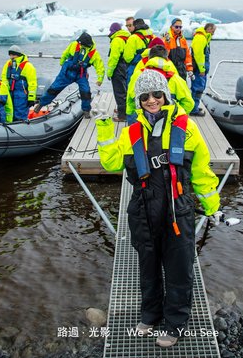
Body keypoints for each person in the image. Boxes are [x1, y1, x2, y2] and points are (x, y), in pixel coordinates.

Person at [95, 70, 223, 348]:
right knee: (148, 266)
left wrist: (212, 205)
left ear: (165, 94)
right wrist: (104, 128)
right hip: (143, 210)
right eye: (145, 96)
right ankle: (150, 315)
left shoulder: (187, 129)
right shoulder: (131, 132)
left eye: (156, 94)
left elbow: (201, 171)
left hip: (178, 209)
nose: (151, 100)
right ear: (139, 101)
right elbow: (112, 163)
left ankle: (175, 323)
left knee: (179, 269)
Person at [34, 32, 105, 118]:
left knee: (85, 91)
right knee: (54, 88)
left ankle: (86, 111)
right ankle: (41, 104)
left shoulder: (94, 53)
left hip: (81, 74)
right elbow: (65, 54)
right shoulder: (74, 44)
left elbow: (100, 66)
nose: (80, 44)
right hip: (67, 72)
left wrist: (100, 79)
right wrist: (62, 63)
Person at [125, 37, 194, 124]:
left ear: (149, 58)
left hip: (142, 120)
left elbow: (130, 99)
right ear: (166, 58)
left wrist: (131, 117)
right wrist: (176, 116)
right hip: (167, 122)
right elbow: (189, 102)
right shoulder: (174, 77)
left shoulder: (137, 75)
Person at [1, 45, 37, 121]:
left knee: (20, 114)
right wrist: (4, 93)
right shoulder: (8, 64)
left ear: (18, 55)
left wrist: (31, 98)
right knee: (8, 112)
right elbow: (4, 78)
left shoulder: (28, 66)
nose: (11, 57)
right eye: (10, 55)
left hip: (22, 95)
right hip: (10, 94)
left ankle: (22, 127)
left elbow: (32, 83)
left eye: (13, 55)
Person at [189, 23, 216, 116]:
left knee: (198, 87)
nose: (213, 33)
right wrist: (202, 69)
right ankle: (193, 109)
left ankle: (194, 106)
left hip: (200, 69)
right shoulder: (200, 38)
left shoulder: (204, 37)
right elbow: (199, 55)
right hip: (199, 70)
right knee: (198, 88)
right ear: (208, 29)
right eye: (213, 30)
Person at [106, 22, 130, 122]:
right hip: (126, 67)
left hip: (118, 68)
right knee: (126, 90)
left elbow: (114, 58)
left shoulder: (116, 40)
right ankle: (125, 111)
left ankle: (122, 116)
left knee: (119, 92)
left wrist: (109, 72)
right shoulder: (127, 38)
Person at [123, 18, 154, 84]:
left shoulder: (133, 38)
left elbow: (128, 58)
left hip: (135, 69)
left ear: (135, 26)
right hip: (151, 69)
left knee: (133, 90)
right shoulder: (153, 37)